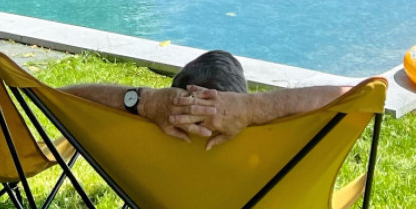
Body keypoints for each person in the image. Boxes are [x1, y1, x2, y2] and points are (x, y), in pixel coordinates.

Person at [64, 50, 347, 149]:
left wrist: (146, 102)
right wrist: (254, 108)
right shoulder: (272, 142)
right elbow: (354, 97)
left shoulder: (148, 136)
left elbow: (65, 97)